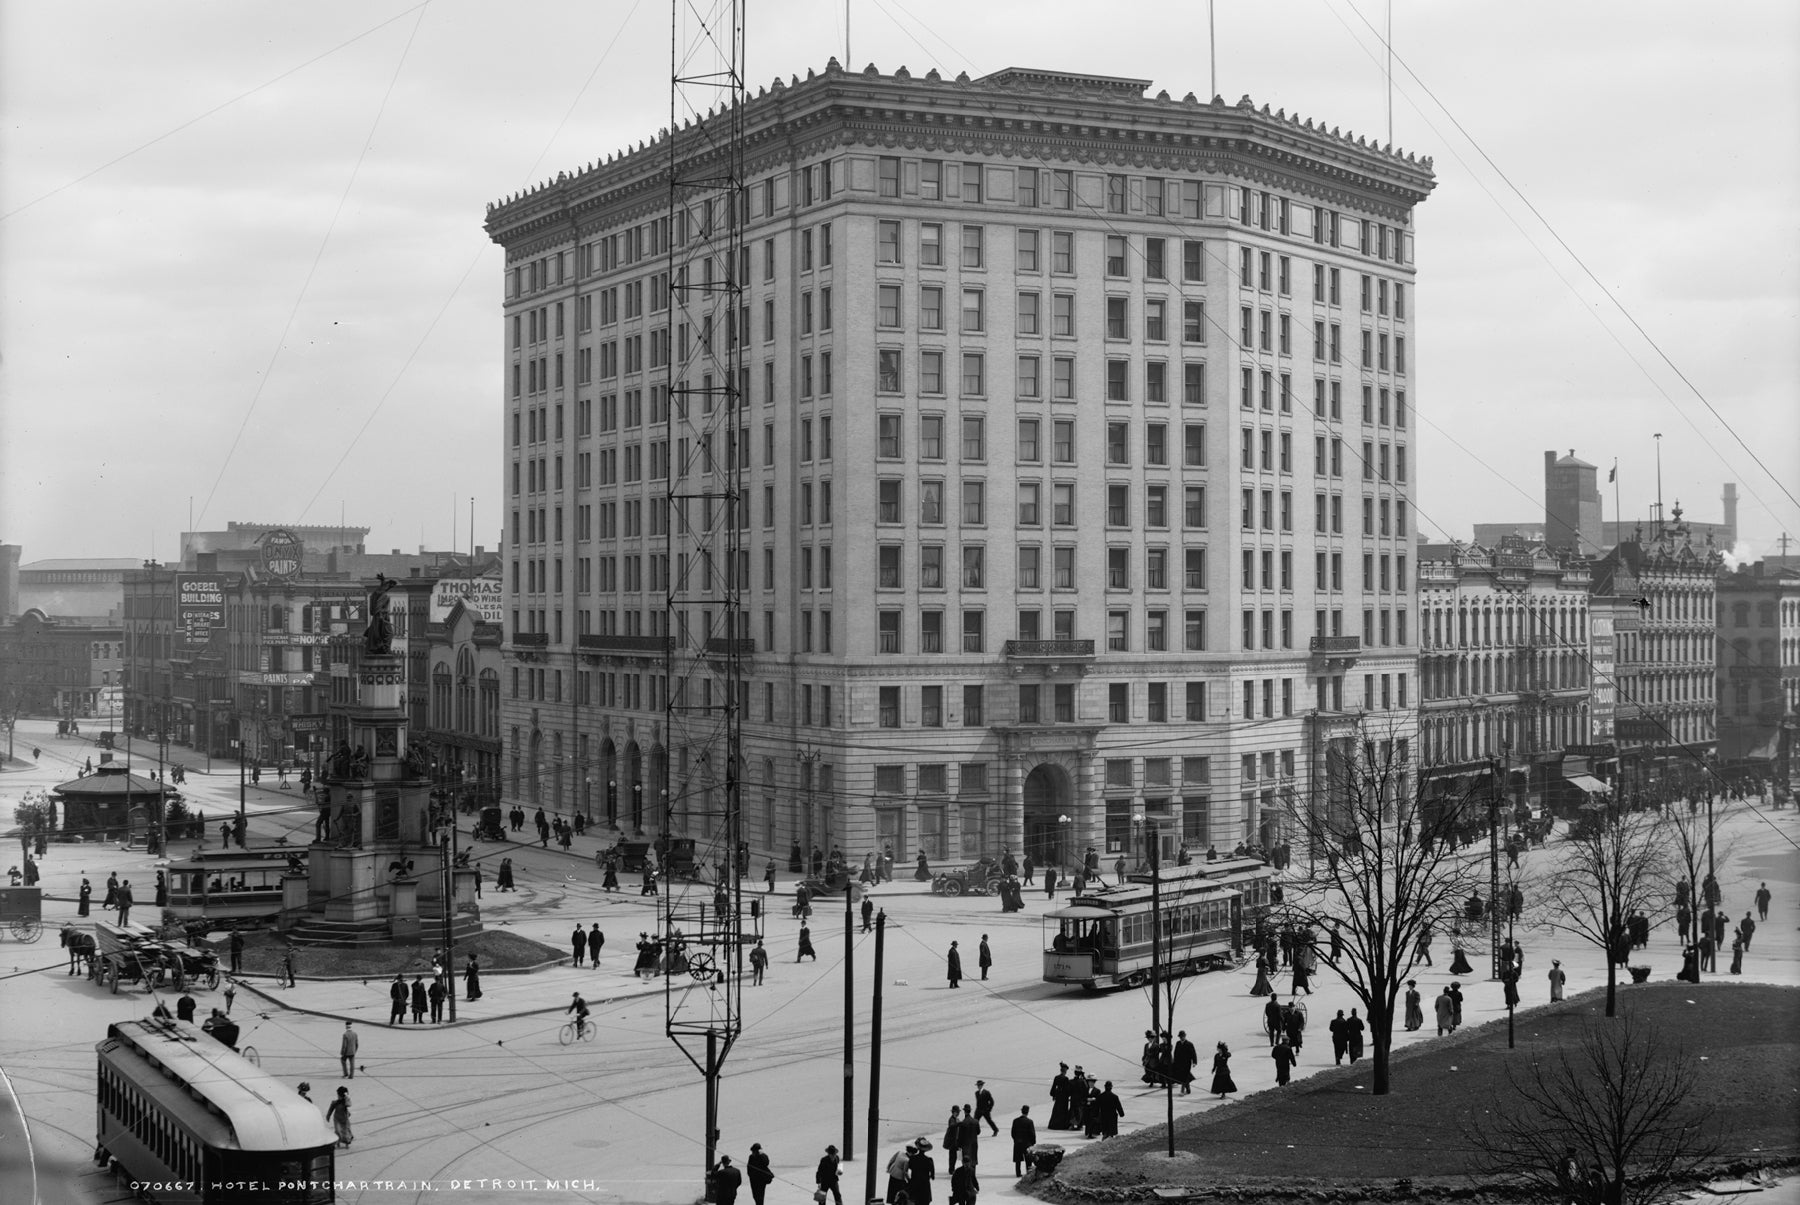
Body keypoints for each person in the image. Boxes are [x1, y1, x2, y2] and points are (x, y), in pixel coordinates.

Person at [907, 1139, 937, 1205]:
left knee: (915, 1201)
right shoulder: (929, 1160)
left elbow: (909, 1167)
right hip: (924, 1185)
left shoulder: (913, 1158)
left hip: (914, 1183)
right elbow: (932, 1176)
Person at [1010, 1106, 1036, 1176]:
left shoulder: (1015, 1121)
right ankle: (1028, 1173)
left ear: (1021, 1111)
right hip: (1027, 1143)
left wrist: (1015, 1140)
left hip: (1018, 1142)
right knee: (1028, 1160)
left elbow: (1013, 1133)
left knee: (1017, 1160)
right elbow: (1032, 1134)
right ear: (1028, 1112)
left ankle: (1018, 1173)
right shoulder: (1029, 1122)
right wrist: (1033, 1143)